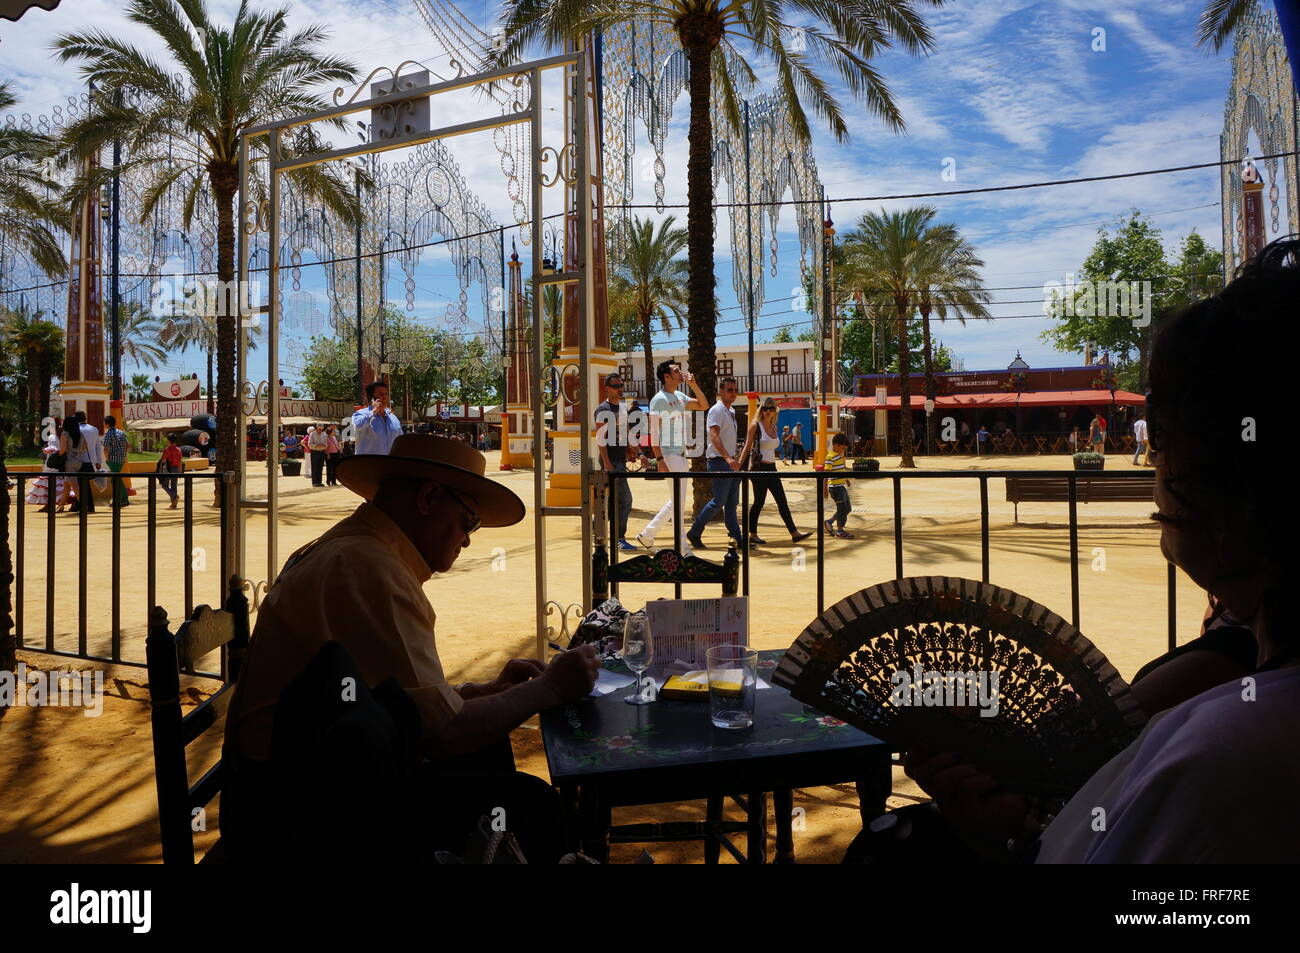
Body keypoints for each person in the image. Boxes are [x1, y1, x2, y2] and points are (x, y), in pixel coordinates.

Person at [906, 236, 1299, 863]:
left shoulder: (1225, 749)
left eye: (1165, 435)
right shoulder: (1241, 677)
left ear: (1232, 491)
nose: (1153, 462)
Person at [221, 434, 600, 862]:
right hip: (293, 816)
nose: (468, 539)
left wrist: (488, 691)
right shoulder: (367, 568)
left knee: (489, 753)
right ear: (429, 497)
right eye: (468, 521)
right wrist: (549, 689)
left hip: (304, 777)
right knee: (531, 804)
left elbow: (399, 704)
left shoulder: (360, 550)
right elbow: (442, 734)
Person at [635, 360, 708, 553]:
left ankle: (648, 534)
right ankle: (683, 549)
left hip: (681, 454)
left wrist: (693, 385)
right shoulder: (659, 399)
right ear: (667, 376)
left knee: (676, 500)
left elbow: (703, 404)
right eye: (676, 370)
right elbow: (654, 432)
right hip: (669, 455)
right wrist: (659, 459)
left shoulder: (679, 395)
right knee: (678, 501)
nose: (680, 372)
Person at [738, 398, 811, 546]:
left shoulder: (774, 426)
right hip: (759, 469)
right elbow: (747, 446)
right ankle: (752, 534)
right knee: (759, 502)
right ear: (761, 409)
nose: (769, 411)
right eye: (766, 408)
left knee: (782, 501)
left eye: (772, 409)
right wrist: (739, 465)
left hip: (772, 468)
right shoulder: (755, 425)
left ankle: (794, 533)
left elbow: (773, 447)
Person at [687, 376, 744, 551]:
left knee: (732, 502)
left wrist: (733, 458)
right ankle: (695, 531)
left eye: (735, 390)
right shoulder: (717, 410)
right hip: (720, 461)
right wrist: (728, 458)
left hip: (729, 462)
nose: (733, 393)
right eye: (729, 390)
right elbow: (714, 436)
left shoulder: (731, 411)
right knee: (718, 501)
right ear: (721, 391)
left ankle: (737, 537)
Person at [595, 372, 636, 552]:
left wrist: (633, 450)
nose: (620, 389)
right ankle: (619, 537)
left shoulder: (622, 408)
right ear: (608, 388)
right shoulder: (603, 410)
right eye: (616, 386)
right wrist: (607, 463)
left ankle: (597, 528)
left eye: (621, 386)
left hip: (620, 460)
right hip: (612, 462)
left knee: (611, 500)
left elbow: (625, 432)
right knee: (625, 500)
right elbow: (600, 438)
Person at [352, 380, 403, 456]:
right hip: (368, 465)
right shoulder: (360, 414)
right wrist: (374, 411)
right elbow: (358, 426)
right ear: (371, 398)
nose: (384, 397)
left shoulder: (393, 418)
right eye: (381, 394)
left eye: (386, 394)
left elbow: (400, 440)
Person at [59, 416, 95, 514]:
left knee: (74, 485)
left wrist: (56, 455)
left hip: (69, 463)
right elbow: (85, 447)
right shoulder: (80, 434)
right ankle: (60, 505)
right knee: (67, 484)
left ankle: (84, 506)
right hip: (79, 462)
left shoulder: (65, 434)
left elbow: (62, 450)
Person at [822, 432, 855, 538]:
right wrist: (825, 489)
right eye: (843, 448)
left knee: (847, 508)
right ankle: (840, 531)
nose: (843, 450)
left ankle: (829, 522)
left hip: (841, 486)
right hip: (835, 488)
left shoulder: (839, 457)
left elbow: (840, 470)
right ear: (835, 445)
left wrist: (846, 479)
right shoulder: (830, 457)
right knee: (841, 509)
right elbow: (826, 473)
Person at [28, 418, 65, 513]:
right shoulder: (63, 435)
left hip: (51, 464)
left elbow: (53, 448)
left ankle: (48, 505)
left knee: (47, 485)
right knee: (60, 484)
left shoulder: (52, 437)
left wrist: (45, 450)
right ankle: (62, 502)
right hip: (60, 464)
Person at [102, 415, 130, 508]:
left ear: (107, 424)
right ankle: (120, 499)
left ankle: (123, 499)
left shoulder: (108, 434)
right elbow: (128, 445)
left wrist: (107, 459)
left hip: (113, 459)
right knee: (115, 479)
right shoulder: (121, 432)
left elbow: (105, 449)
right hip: (121, 459)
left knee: (115, 479)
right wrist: (123, 454)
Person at [159, 432, 183, 508]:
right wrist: (180, 471)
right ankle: (173, 503)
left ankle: (174, 496)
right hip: (176, 469)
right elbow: (180, 461)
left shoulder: (166, 450)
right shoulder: (179, 450)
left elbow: (163, 461)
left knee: (164, 485)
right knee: (174, 486)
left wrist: (161, 471)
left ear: (168, 441)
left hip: (168, 469)